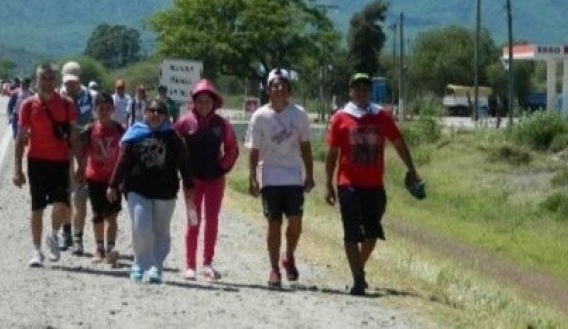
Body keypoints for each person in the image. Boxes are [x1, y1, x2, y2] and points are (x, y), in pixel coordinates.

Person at [324, 73, 423, 296]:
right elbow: (332, 153)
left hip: (374, 186)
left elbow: (398, 143)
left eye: (365, 89)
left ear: (369, 92)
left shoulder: (381, 116)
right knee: (351, 232)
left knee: (372, 233)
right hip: (348, 183)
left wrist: (412, 169)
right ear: (350, 92)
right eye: (357, 89)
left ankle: (358, 267)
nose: (361, 93)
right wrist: (328, 184)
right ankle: (358, 279)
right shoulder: (341, 118)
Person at [107, 99, 194, 284]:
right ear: (145, 113)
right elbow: (122, 159)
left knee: (160, 230)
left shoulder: (173, 136)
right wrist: (113, 184)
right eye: (151, 110)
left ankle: (156, 266)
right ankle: (139, 263)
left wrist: (189, 186)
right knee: (140, 225)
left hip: (165, 190)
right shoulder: (134, 134)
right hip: (137, 188)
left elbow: (184, 163)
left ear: (166, 115)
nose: (155, 114)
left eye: (159, 111)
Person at [244, 68, 315, 287]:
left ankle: (289, 256)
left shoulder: (299, 114)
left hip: (293, 175)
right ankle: (274, 269)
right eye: (275, 85)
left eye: (283, 85)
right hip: (270, 175)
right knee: (273, 223)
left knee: (295, 223)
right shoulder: (260, 116)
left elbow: (305, 146)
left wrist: (310, 174)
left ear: (289, 91)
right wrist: (252, 177)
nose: (279, 89)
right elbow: (254, 150)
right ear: (268, 90)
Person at [12, 63, 85, 268]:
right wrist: (17, 168)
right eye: (43, 77)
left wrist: (81, 165)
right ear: (37, 80)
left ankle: (53, 234)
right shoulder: (27, 105)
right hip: (36, 160)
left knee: (62, 204)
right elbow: (20, 138)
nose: (47, 81)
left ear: (56, 80)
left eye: (51, 77)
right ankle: (36, 250)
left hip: (61, 160)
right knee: (37, 207)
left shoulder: (66, 104)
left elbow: (74, 135)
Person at [173, 79, 239, 281]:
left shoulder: (222, 124)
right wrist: (179, 171)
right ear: (193, 102)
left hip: (215, 181)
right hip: (192, 182)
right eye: (199, 101)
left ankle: (208, 262)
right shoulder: (184, 123)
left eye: (207, 102)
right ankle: (190, 265)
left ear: (214, 103)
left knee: (212, 221)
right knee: (193, 221)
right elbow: (173, 146)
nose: (203, 105)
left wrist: (222, 167)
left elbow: (232, 148)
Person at [78, 92, 125, 265]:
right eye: (100, 108)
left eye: (107, 108)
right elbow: (82, 152)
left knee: (112, 215)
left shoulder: (120, 130)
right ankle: (99, 247)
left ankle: (111, 249)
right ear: (95, 110)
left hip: (114, 178)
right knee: (97, 214)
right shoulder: (90, 130)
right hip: (95, 178)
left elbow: (125, 154)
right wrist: (81, 172)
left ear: (113, 109)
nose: (104, 111)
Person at [59, 60, 97, 254]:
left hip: (82, 147)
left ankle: (78, 237)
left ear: (79, 80)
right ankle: (66, 233)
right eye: (67, 82)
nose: (69, 86)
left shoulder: (89, 97)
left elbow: (91, 123)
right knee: (64, 192)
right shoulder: (58, 97)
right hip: (62, 149)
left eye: (73, 82)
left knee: (80, 194)